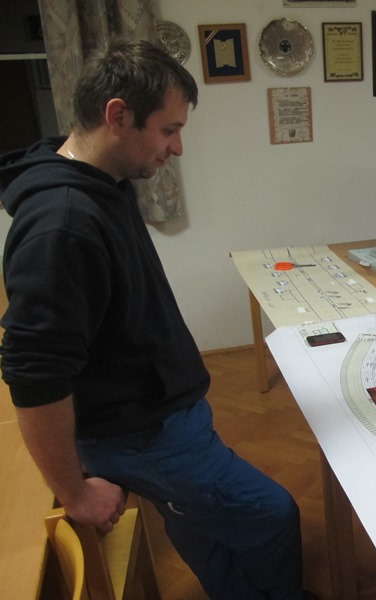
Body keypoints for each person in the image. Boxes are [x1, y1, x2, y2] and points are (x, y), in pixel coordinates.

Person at [0, 39, 308, 600]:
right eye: (169, 130)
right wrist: (74, 493)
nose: (178, 147)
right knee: (272, 514)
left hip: (160, 415)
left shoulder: (101, 181)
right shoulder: (62, 225)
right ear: (118, 116)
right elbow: (34, 377)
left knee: (195, 519)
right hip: (141, 433)